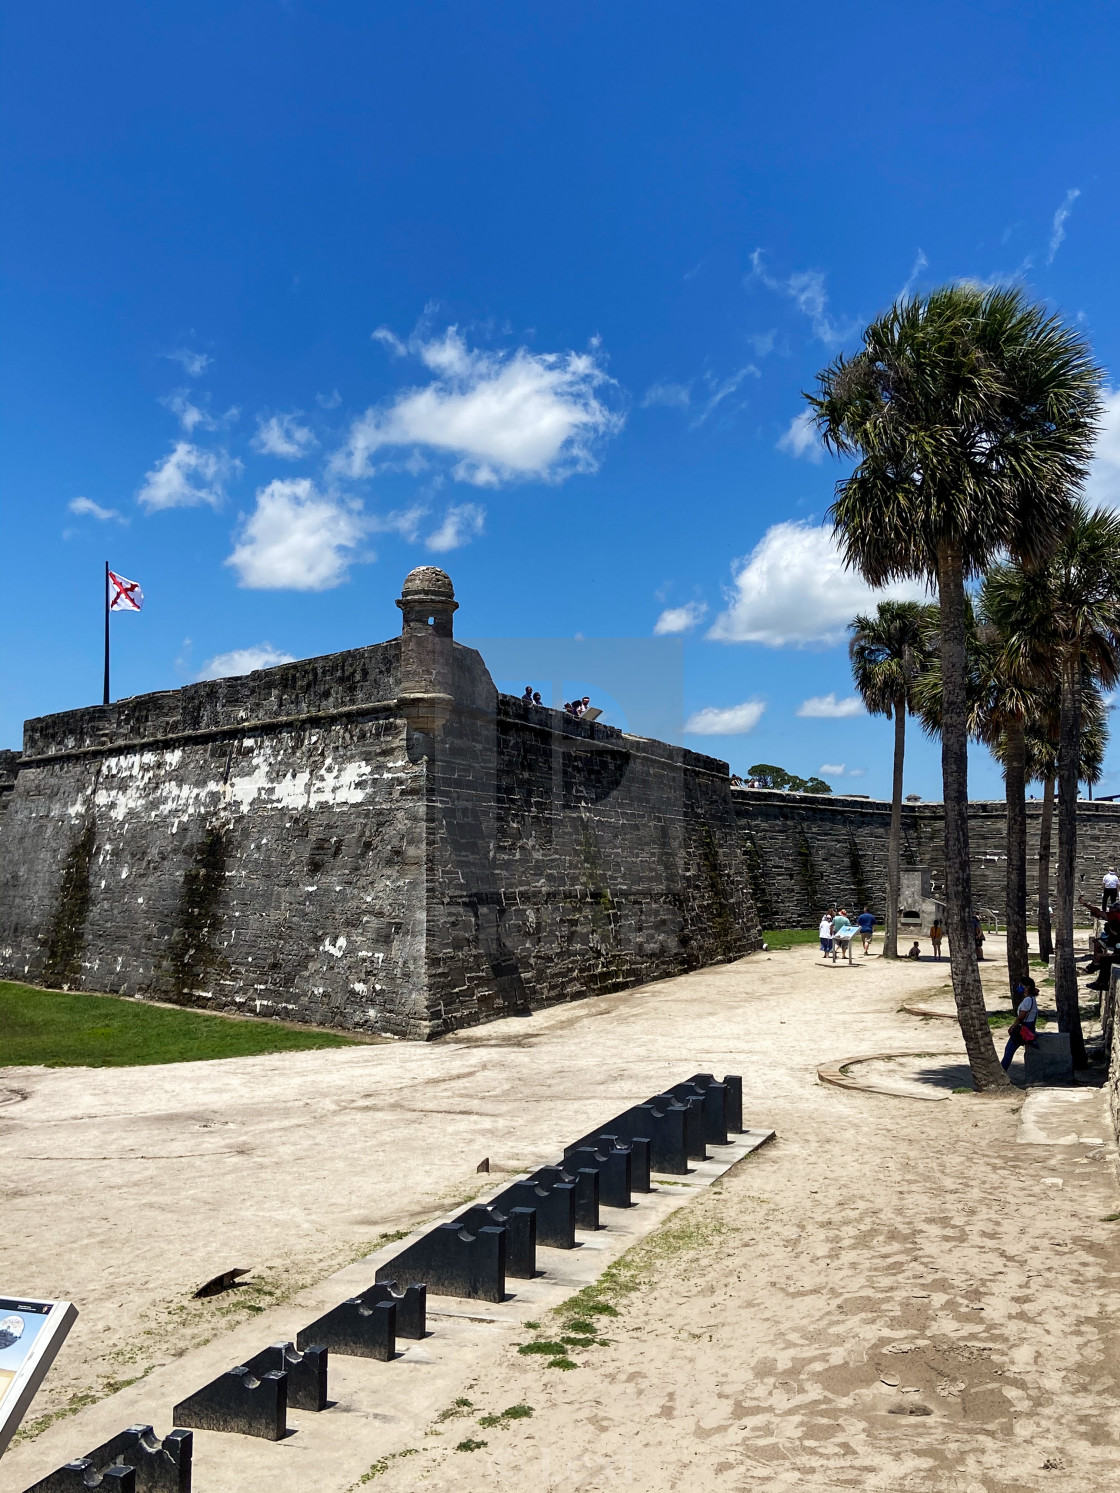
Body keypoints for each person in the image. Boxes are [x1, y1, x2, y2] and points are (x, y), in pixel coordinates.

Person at [1000, 978, 1039, 1071]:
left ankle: (1002, 1072)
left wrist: (1013, 1027)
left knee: (1009, 1051)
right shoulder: (1031, 999)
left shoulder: (1027, 1000)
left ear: (1027, 987)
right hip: (1029, 1028)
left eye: (1021, 986)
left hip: (1022, 1030)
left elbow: (1021, 1016)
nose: (1019, 988)